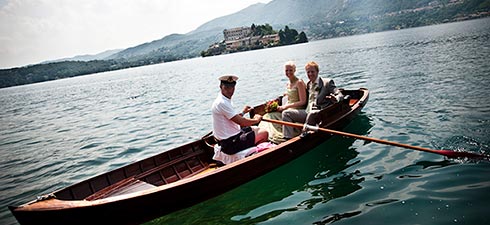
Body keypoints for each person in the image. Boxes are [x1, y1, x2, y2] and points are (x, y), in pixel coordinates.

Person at [282, 61, 344, 139]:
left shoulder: (327, 83)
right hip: (307, 112)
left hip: (321, 113)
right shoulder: (309, 84)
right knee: (286, 113)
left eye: (312, 72)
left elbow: (340, 95)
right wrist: (288, 94)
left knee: (312, 113)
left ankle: (305, 133)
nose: (310, 74)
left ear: (317, 71)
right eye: (308, 72)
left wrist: (336, 98)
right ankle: (287, 138)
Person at [212, 74, 269, 155]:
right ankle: (256, 155)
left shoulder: (223, 99)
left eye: (232, 87)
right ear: (221, 86)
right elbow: (242, 122)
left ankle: (254, 149)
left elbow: (232, 118)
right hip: (230, 143)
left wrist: (243, 112)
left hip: (232, 137)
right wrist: (256, 119)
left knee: (256, 129)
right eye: (226, 87)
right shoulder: (222, 102)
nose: (229, 90)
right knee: (264, 133)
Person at [259, 61, 307, 143]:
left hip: (298, 110)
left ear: (295, 70)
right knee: (269, 115)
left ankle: (287, 139)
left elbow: (303, 101)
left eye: (290, 70)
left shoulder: (299, 82)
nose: (288, 72)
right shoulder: (288, 84)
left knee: (286, 113)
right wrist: (278, 105)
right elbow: (289, 98)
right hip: (289, 108)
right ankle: (265, 136)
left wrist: (285, 107)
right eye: (286, 70)